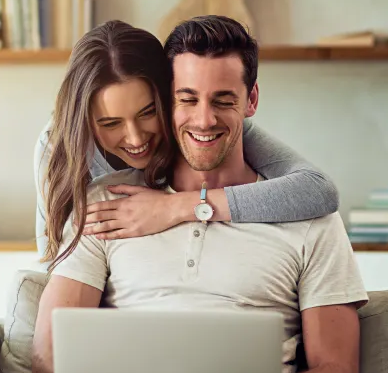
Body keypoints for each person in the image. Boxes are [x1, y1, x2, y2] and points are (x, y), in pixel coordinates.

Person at [17, 16, 368, 373]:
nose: (204, 119)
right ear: (170, 99)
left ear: (251, 99)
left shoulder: (311, 216)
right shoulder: (102, 202)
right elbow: (48, 357)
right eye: (187, 99)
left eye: (223, 99)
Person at [33, 22, 338, 261]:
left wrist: (176, 207)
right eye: (110, 123)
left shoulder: (204, 127)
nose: (136, 138)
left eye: (148, 112)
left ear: (168, 97)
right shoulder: (57, 147)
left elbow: (317, 190)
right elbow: (54, 260)